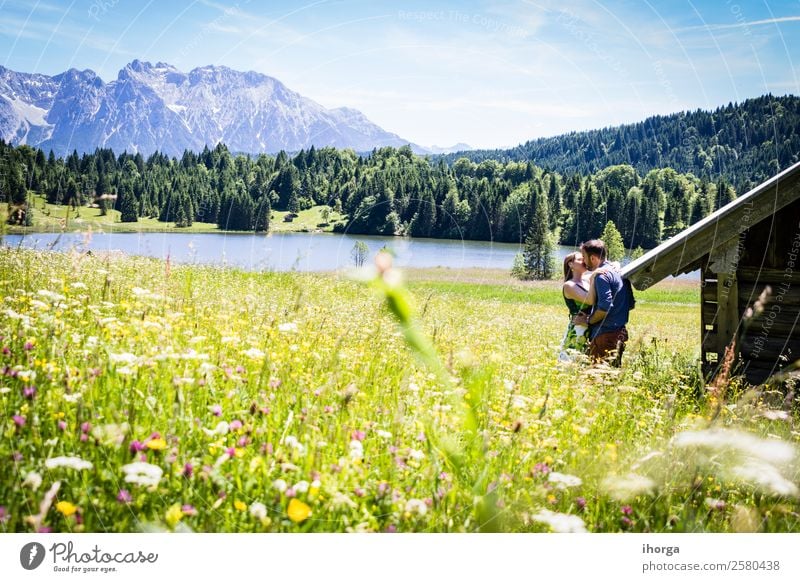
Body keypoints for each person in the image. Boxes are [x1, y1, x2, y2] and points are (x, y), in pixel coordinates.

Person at [573, 239, 633, 366]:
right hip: (619, 332)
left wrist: (588, 320)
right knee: (610, 377)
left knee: (596, 378)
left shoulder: (601, 276)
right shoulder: (616, 272)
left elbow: (604, 307)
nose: (583, 261)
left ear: (593, 258)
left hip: (605, 336)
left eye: (584, 257)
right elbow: (631, 304)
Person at [559, 252, 592, 358]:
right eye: (580, 259)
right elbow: (590, 301)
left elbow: (614, 265)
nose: (584, 261)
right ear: (570, 264)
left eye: (585, 258)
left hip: (589, 327)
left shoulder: (586, 279)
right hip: (578, 330)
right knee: (571, 363)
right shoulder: (569, 285)